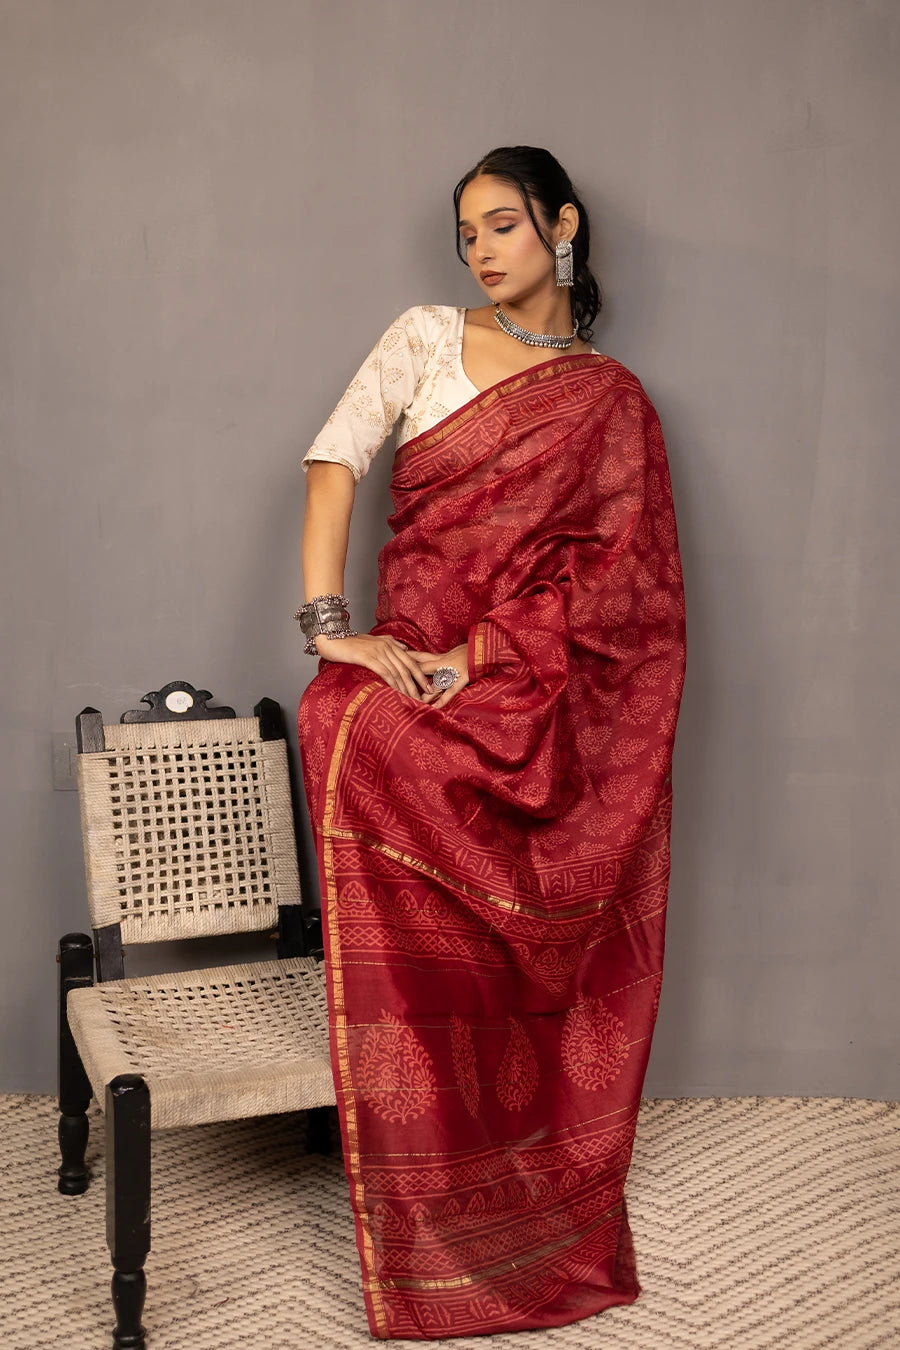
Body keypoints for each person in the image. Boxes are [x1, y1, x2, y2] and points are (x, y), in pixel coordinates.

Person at [296, 145, 686, 1341]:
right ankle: (420, 1154)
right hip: (412, 651)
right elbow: (331, 464)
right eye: (467, 232)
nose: (480, 249)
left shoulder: (611, 400)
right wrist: (336, 633)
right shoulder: (421, 336)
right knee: (348, 726)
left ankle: (511, 1159)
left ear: (562, 226)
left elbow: (630, 599)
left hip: (531, 687)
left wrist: (493, 660)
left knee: (520, 806)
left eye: (502, 225)